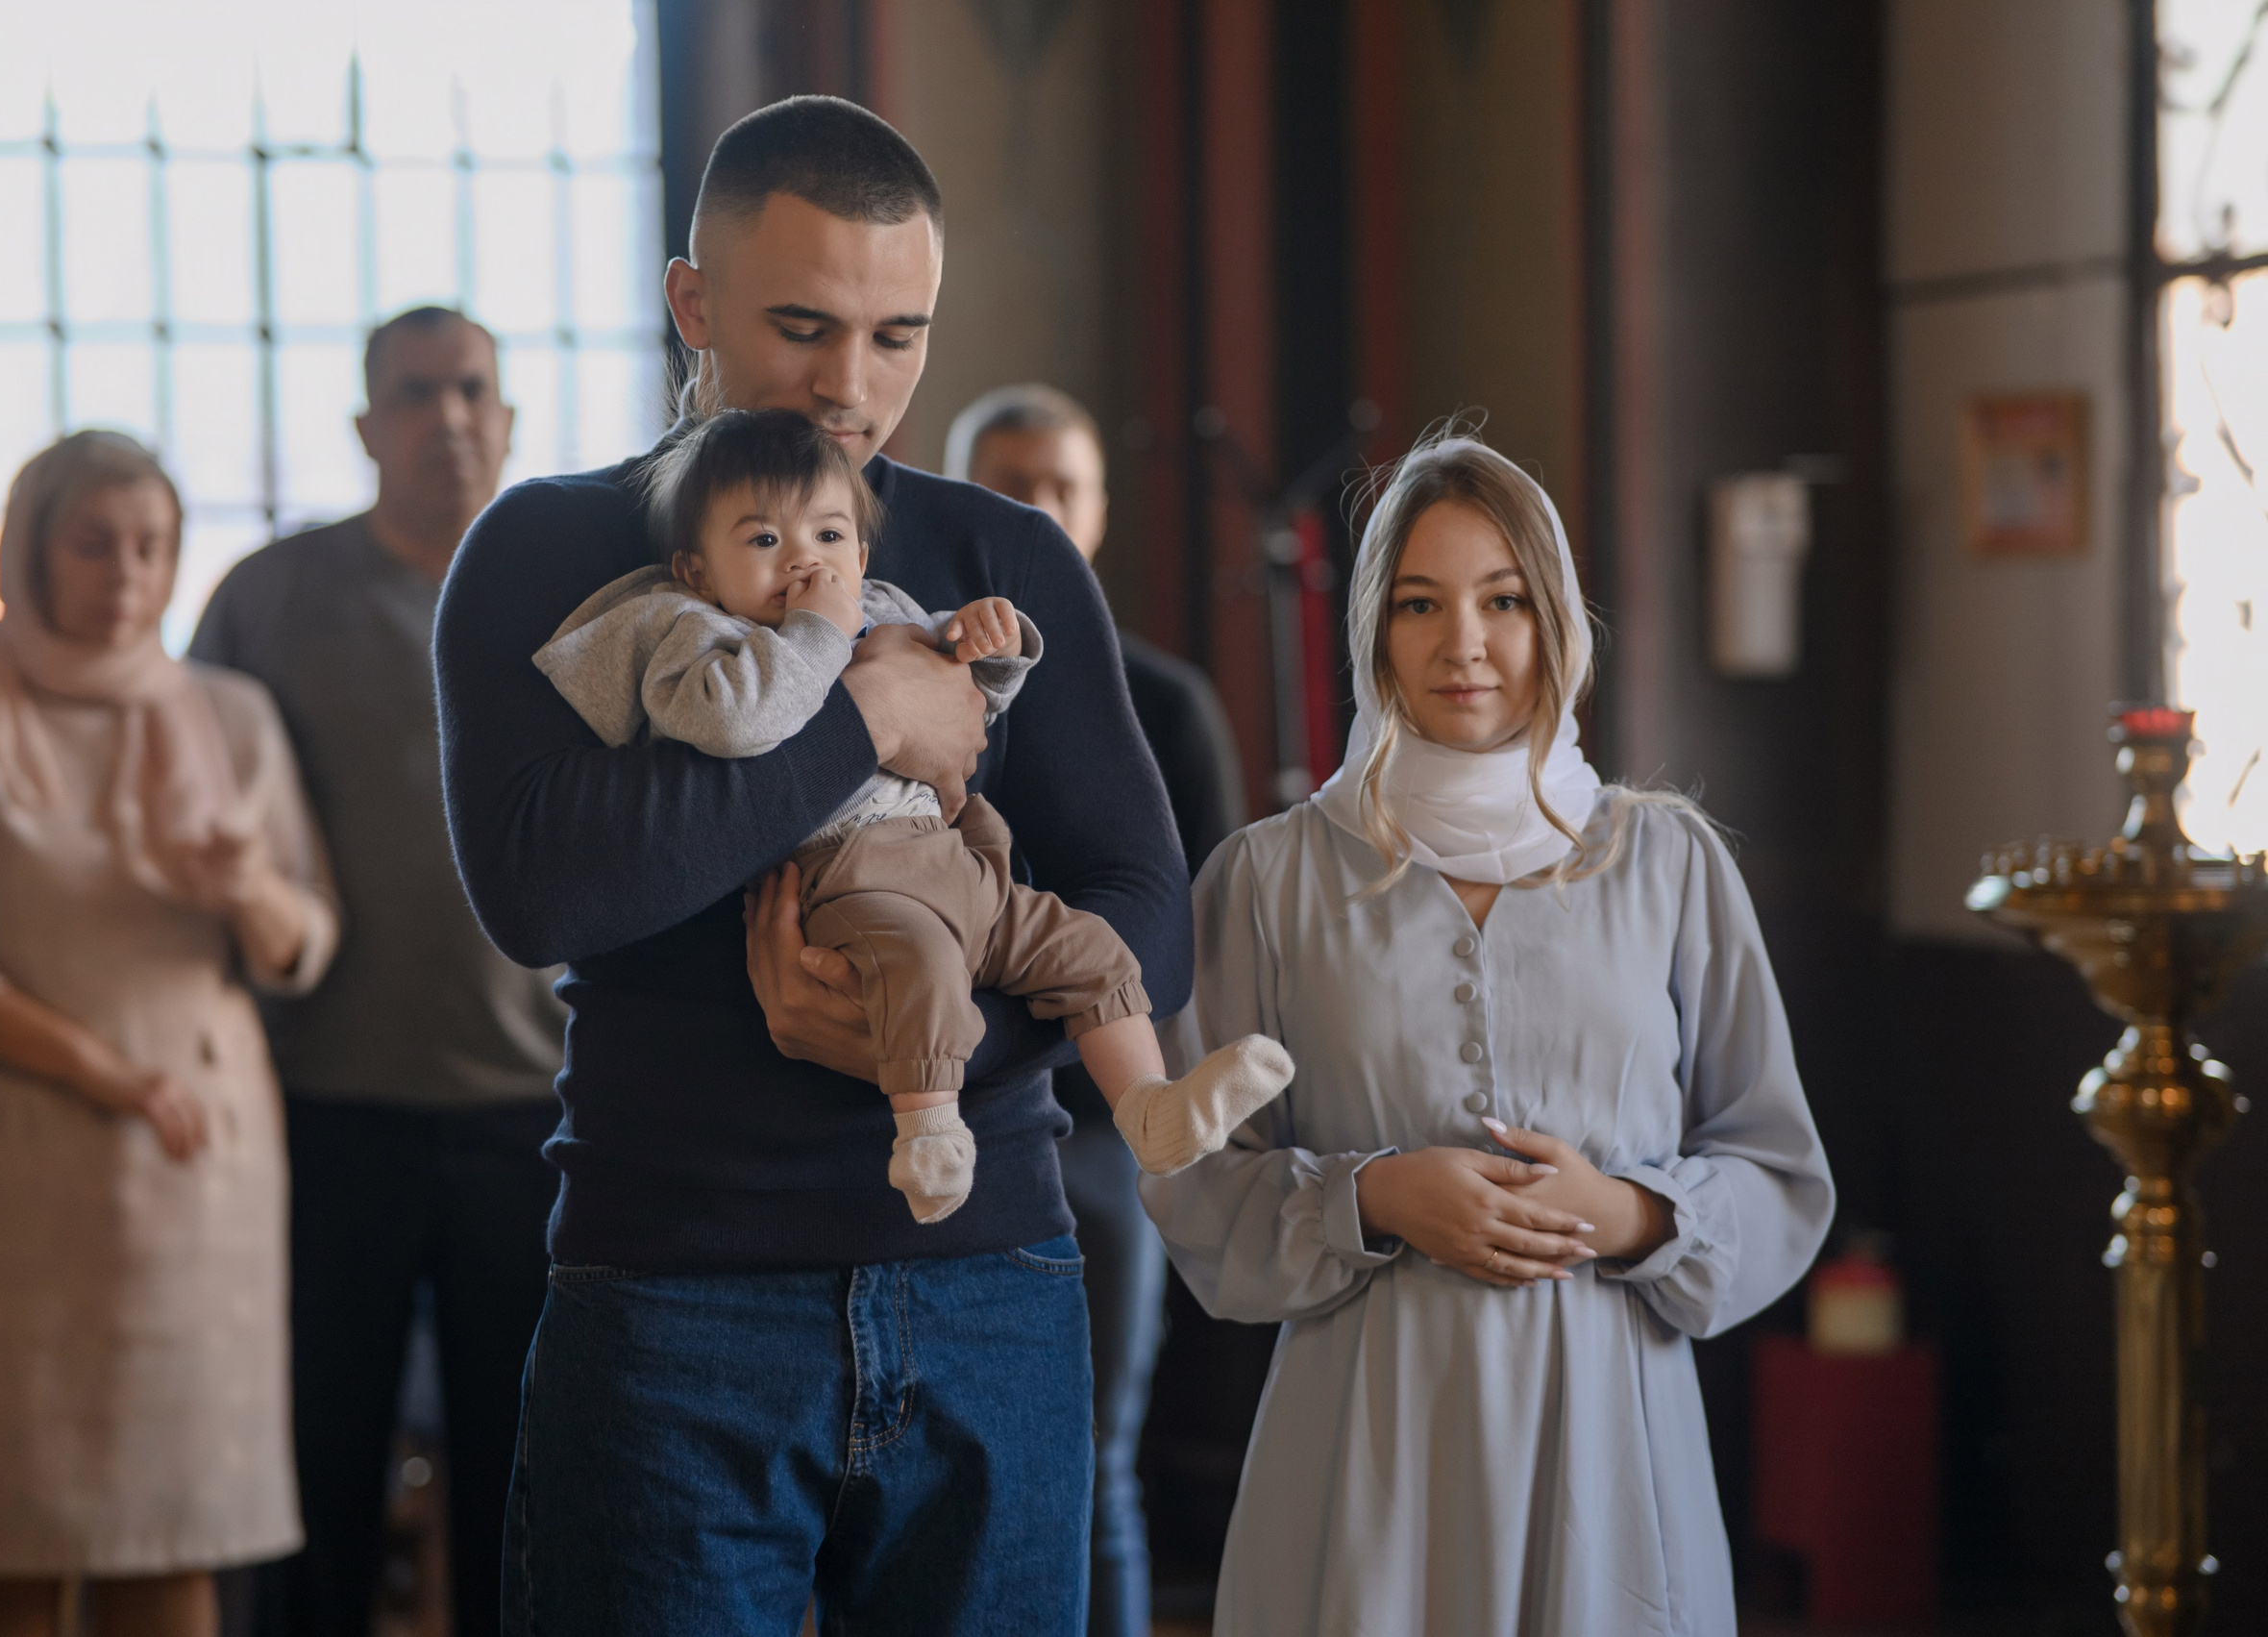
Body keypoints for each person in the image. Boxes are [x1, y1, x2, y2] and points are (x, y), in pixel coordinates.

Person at [434, 97, 1192, 1634]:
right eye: (803, 326)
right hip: (671, 1294)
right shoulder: (545, 549)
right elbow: (543, 893)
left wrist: (946, 1027)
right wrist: (860, 720)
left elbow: (1147, 913)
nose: (855, 388)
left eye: (900, 336)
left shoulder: (1005, 559)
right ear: (692, 304)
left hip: (992, 1282)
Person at [1142, 430, 1835, 1636]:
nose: (1464, 643)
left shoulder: (1664, 863)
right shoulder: (1266, 880)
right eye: (1421, 603)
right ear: (1374, 629)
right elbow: (1196, 1181)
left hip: (1612, 1441)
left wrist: (1628, 1214)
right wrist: (1376, 1196)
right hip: (1365, 1442)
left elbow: (1778, 1170)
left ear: (1553, 618)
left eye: (1502, 599)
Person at [531, 408, 1288, 1222]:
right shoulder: (695, 634)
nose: (803, 563)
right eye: (762, 542)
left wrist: (987, 650)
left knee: (1089, 947)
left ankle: (1152, 1109)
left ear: (859, 552)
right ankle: (929, 1134)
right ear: (697, 569)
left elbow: (967, 716)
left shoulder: (884, 605)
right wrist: (822, 638)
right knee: (921, 964)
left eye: (827, 537)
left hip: (954, 861)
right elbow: (735, 722)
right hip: (852, 877)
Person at [0, 432, 338, 1637]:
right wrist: (107, 1073)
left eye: (152, 545)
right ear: (31, 548)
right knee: (4, 1530)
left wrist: (244, 887)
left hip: (190, 1171)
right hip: (1, 1157)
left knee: (174, 1530)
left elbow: (303, 941)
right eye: (95, 542)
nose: (127, 570)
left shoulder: (230, 714)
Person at [188, 307, 565, 1637]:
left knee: (521, 1481)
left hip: (538, 1110)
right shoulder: (269, 598)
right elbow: (193, 820)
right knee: (313, 1470)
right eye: (415, 393)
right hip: (321, 1105)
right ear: (365, 426)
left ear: (508, 417)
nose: (448, 415)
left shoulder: (573, 594)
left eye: (473, 389)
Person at [948, 382, 1246, 1637]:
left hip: (1103, 1131)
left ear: (1100, 511)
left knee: (1096, 1466)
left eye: (1059, 486)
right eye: (1004, 484)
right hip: (935, 1121)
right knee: (944, 1481)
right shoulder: (903, 676)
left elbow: (1194, 927)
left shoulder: (1163, 702)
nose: (1034, 510)